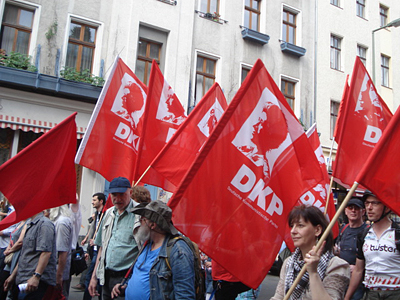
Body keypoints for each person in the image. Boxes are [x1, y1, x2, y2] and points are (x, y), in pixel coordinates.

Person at [111, 200, 195, 300]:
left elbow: (185, 296)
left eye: (143, 219)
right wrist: (126, 287)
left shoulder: (178, 251)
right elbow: (142, 276)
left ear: (152, 225)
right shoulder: (147, 244)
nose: (140, 222)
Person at [271, 205, 350, 300]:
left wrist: (313, 273)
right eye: (292, 226)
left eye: (300, 225)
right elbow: (278, 297)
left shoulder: (336, 265)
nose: (293, 231)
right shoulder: (289, 263)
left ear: (317, 230)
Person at [88, 177, 140, 300]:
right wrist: (94, 277)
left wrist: (130, 281)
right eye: (114, 195)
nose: (117, 199)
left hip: (127, 278)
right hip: (106, 277)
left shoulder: (140, 214)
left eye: (122, 194)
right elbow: (102, 247)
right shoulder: (109, 213)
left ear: (130, 192)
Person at [344, 191, 400, 300]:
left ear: (387, 208)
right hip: (371, 293)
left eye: (375, 203)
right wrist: (346, 298)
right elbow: (358, 270)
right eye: (367, 203)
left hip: (395, 293)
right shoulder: (363, 234)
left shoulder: (397, 233)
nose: (369, 208)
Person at [4, 211, 57, 299]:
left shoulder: (45, 224)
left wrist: (36, 276)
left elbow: (46, 252)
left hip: (33, 282)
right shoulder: (29, 224)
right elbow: (24, 254)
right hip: (23, 279)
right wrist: (13, 275)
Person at [335, 198, 366, 300]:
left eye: (356, 208)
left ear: (363, 212)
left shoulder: (368, 232)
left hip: (359, 283)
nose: (353, 210)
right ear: (345, 211)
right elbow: (340, 250)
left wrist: (358, 267)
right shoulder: (343, 230)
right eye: (350, 207)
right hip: (342, 279)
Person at [81, 192, 105, 300]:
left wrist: (97, 241)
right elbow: (92, 229)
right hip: (92, 250)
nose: (92, 202)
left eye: (94, 200)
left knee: (93, 275)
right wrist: (87, 240)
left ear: (101, 201)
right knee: (91, 275)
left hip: (99, 249)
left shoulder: (105, 215)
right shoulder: (96, 215)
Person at [50, 204, 74, 299]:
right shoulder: (59, 221)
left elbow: (62, 251)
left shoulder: (62, 222)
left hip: (57, 270)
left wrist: (59, 275)